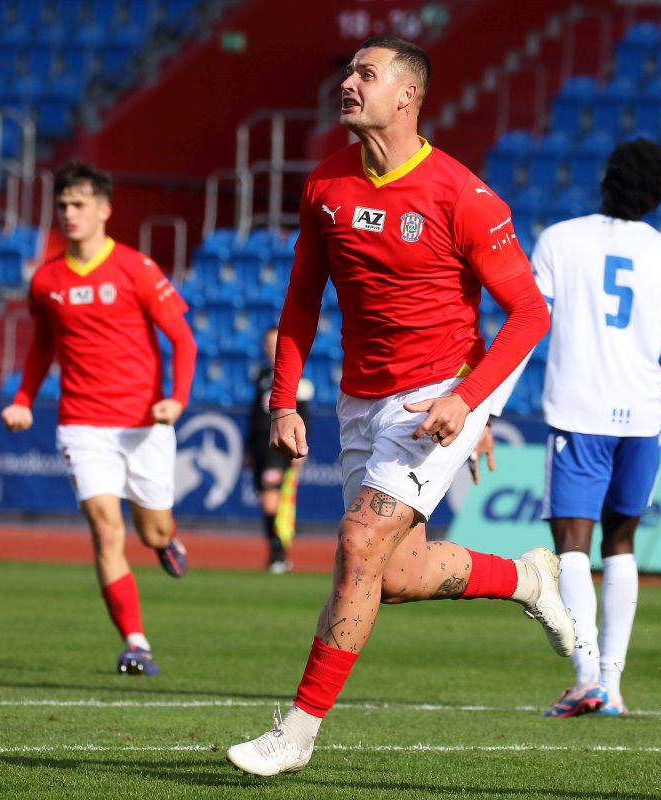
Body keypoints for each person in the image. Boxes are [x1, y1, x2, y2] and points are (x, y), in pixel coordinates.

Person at [226, 36, 572, 777]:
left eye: (366, 73)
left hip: (436, 394)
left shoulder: (462, 195)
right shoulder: (326, 185)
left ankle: (296, 733)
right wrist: (283, 400)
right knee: (396, 572)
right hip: (359, 398)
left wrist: (467, 400)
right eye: (349, 72)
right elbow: (301, 301)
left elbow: (531, 314)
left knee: (358, 543)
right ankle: (526, 579)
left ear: (407, 95)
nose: (348, 84)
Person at [523, 138, 661, 717]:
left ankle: (587, 676)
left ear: (606, 179)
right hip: (643, 420)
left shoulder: (560, 240)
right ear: (660, 195)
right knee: (621, 544)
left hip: (577, 416)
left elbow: (527, 329)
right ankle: (612, 687)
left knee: (572, 545)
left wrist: (486, 411)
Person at [1, 161, 196, 677]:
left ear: (104, 210)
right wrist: (23, 398)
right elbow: (42, 345)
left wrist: (177, 400)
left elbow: (183, 339)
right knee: (106, 530)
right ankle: (136, 643)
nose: (70, 213)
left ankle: (166, 540)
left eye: (79, 204)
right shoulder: (46, 280)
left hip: (144, 424)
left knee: (151, 531)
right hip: (82, 424)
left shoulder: (136, 268)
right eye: (63, 205)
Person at [246, 326, 313, 573]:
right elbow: (254, 414)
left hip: (278, 447)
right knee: (267, 499)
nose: (270, 349)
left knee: (271, 498)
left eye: (275, 344)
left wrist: (301, 447)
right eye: (267, 344)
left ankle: (278, 553)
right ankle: (275, 553)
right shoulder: (262, 375)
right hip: (259, 447)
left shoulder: (297, 378)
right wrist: (247, 448)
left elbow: (304, 416)